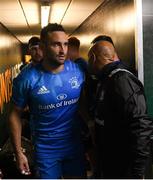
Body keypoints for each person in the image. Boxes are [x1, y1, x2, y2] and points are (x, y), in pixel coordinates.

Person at [9, 23, 86, 179]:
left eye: (65, 44)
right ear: (43, 46)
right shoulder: (27, 78)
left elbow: (83, 103)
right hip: (46, 150)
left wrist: (90, 125)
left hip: (74, 146)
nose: (63, 50)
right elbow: (15, 115)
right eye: (56, 44)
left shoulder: (77, 71)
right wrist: (18, 152)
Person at [87, 35, 153, 179]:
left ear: (92, 58)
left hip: (125, 168)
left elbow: (141, 124)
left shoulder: (121, 79)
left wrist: (137, 172)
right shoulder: (106, 79)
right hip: (111, 164)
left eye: (88, 59)